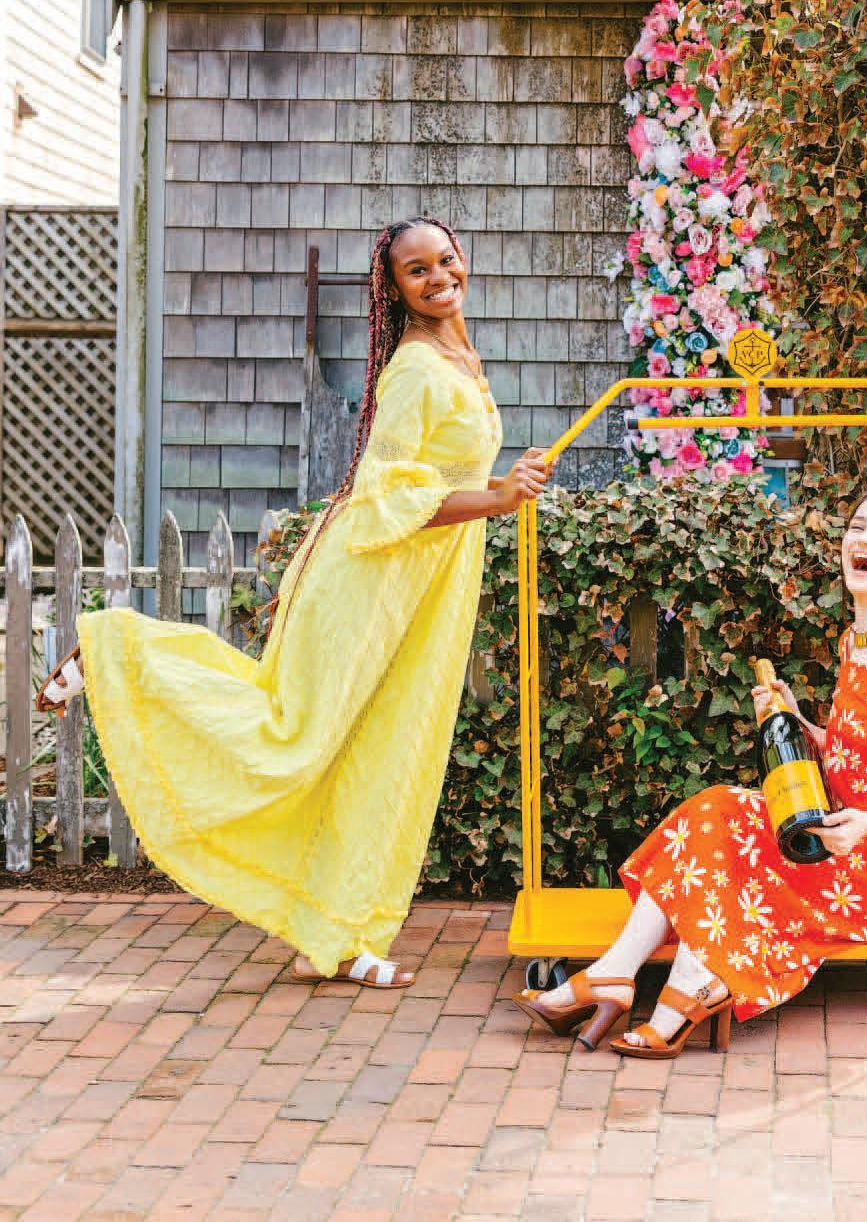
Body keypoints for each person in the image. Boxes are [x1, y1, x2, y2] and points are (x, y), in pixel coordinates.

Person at [37, 218, 552, 989]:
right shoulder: (415, 369)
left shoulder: (458, 357)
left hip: (419, 587)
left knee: (382, 752)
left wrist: (500, 487)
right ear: (394, 289)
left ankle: (342, 934)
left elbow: (438, 470)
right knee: (297, 736)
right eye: (416, 269)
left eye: (446, 259)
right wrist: (498, 497)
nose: (438, 276)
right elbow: (384, 493)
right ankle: (116, 652)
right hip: (369, 581)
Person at [515, 484, 867, 1056]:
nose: (864, 539)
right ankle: (623, 974)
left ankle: (679, 989)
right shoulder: (855, 642)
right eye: (857, 526)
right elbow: (859, 755)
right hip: (851, 836)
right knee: (718, 810)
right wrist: (796, 719)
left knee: (735, 845)